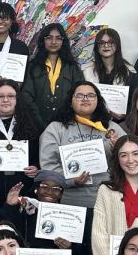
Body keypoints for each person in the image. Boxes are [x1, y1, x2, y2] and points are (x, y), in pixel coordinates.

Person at [39, 80, 124, 210]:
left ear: (98, 100)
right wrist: (72, 180)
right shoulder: (56, 128)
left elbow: (132, 160)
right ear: (70, 102)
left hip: (108, 199)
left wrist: (119, 150)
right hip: (70, 200)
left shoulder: (112, 128)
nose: (85, 99)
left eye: (91, 95)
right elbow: (48, 165)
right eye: (79, 96)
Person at [0, 79, 41, 221]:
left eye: (10, 96)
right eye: (0, 96)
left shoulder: (31, 123)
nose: (5, 100)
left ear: (18, 99)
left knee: (17, 240)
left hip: (21, 196)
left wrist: (36, 168)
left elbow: (38, 155)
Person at [21, 22, 84, 128]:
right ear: (43, 40)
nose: (53, 42)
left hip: (67, 124)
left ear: (63, 41)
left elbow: (79, 94)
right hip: (36, 125)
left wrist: (66, 119)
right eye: (49, 38)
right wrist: (40, 123)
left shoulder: (72, 67)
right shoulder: (32, 66)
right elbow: (27, 96)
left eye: (58, 38)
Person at [85, 26, 136, 123]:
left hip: (121, 124)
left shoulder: (129, 72)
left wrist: (125, 113)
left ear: (117, 45)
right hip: (92, 123)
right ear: (97, 46)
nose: (106, 45)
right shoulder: (86, 71)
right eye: (102, 43)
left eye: (111, 42)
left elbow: (135, 100)